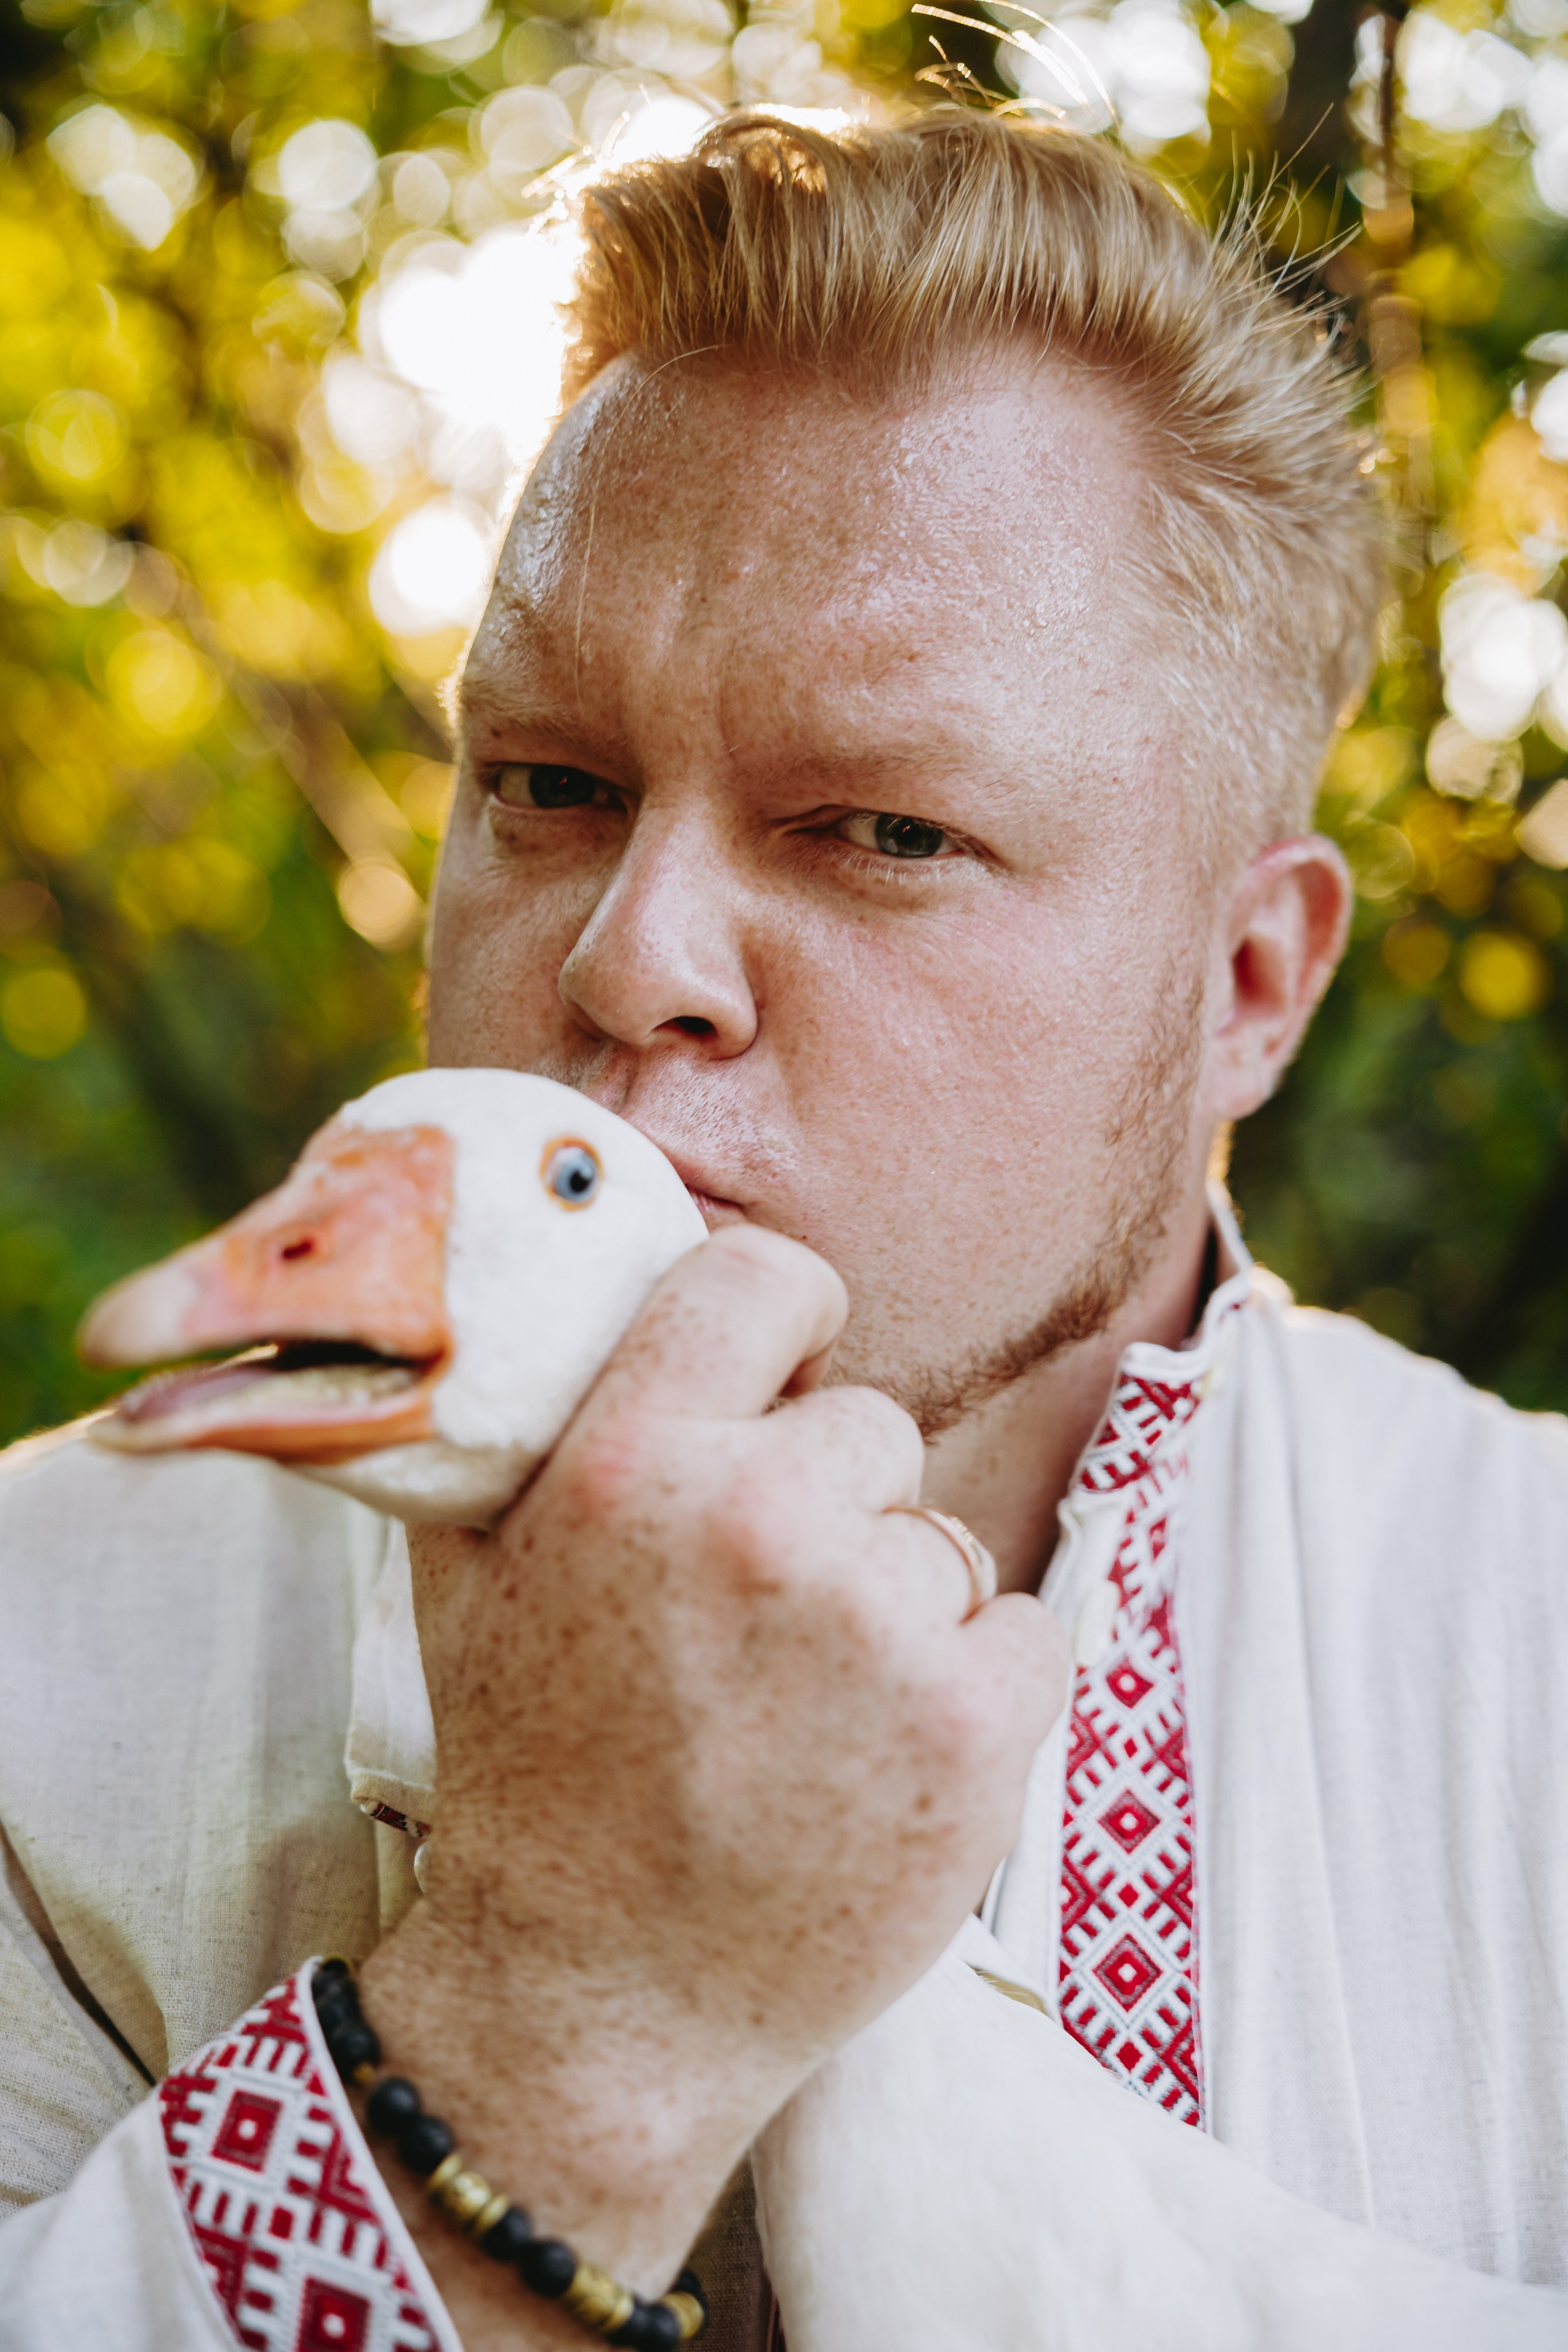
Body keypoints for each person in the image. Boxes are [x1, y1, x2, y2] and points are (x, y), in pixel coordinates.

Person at [1, 107, 1564, 2350]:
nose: (630, 960)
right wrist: (555, 2022)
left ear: (1245, 988)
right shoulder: (30, 1675)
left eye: (883, 831)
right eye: (547, 784)